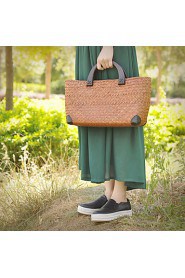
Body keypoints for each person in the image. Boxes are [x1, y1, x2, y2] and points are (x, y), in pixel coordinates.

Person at [75, 46, 146, 222]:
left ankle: (120, 198)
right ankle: (109, 193)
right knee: (96, 114)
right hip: (87, 48)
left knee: (122, 112)